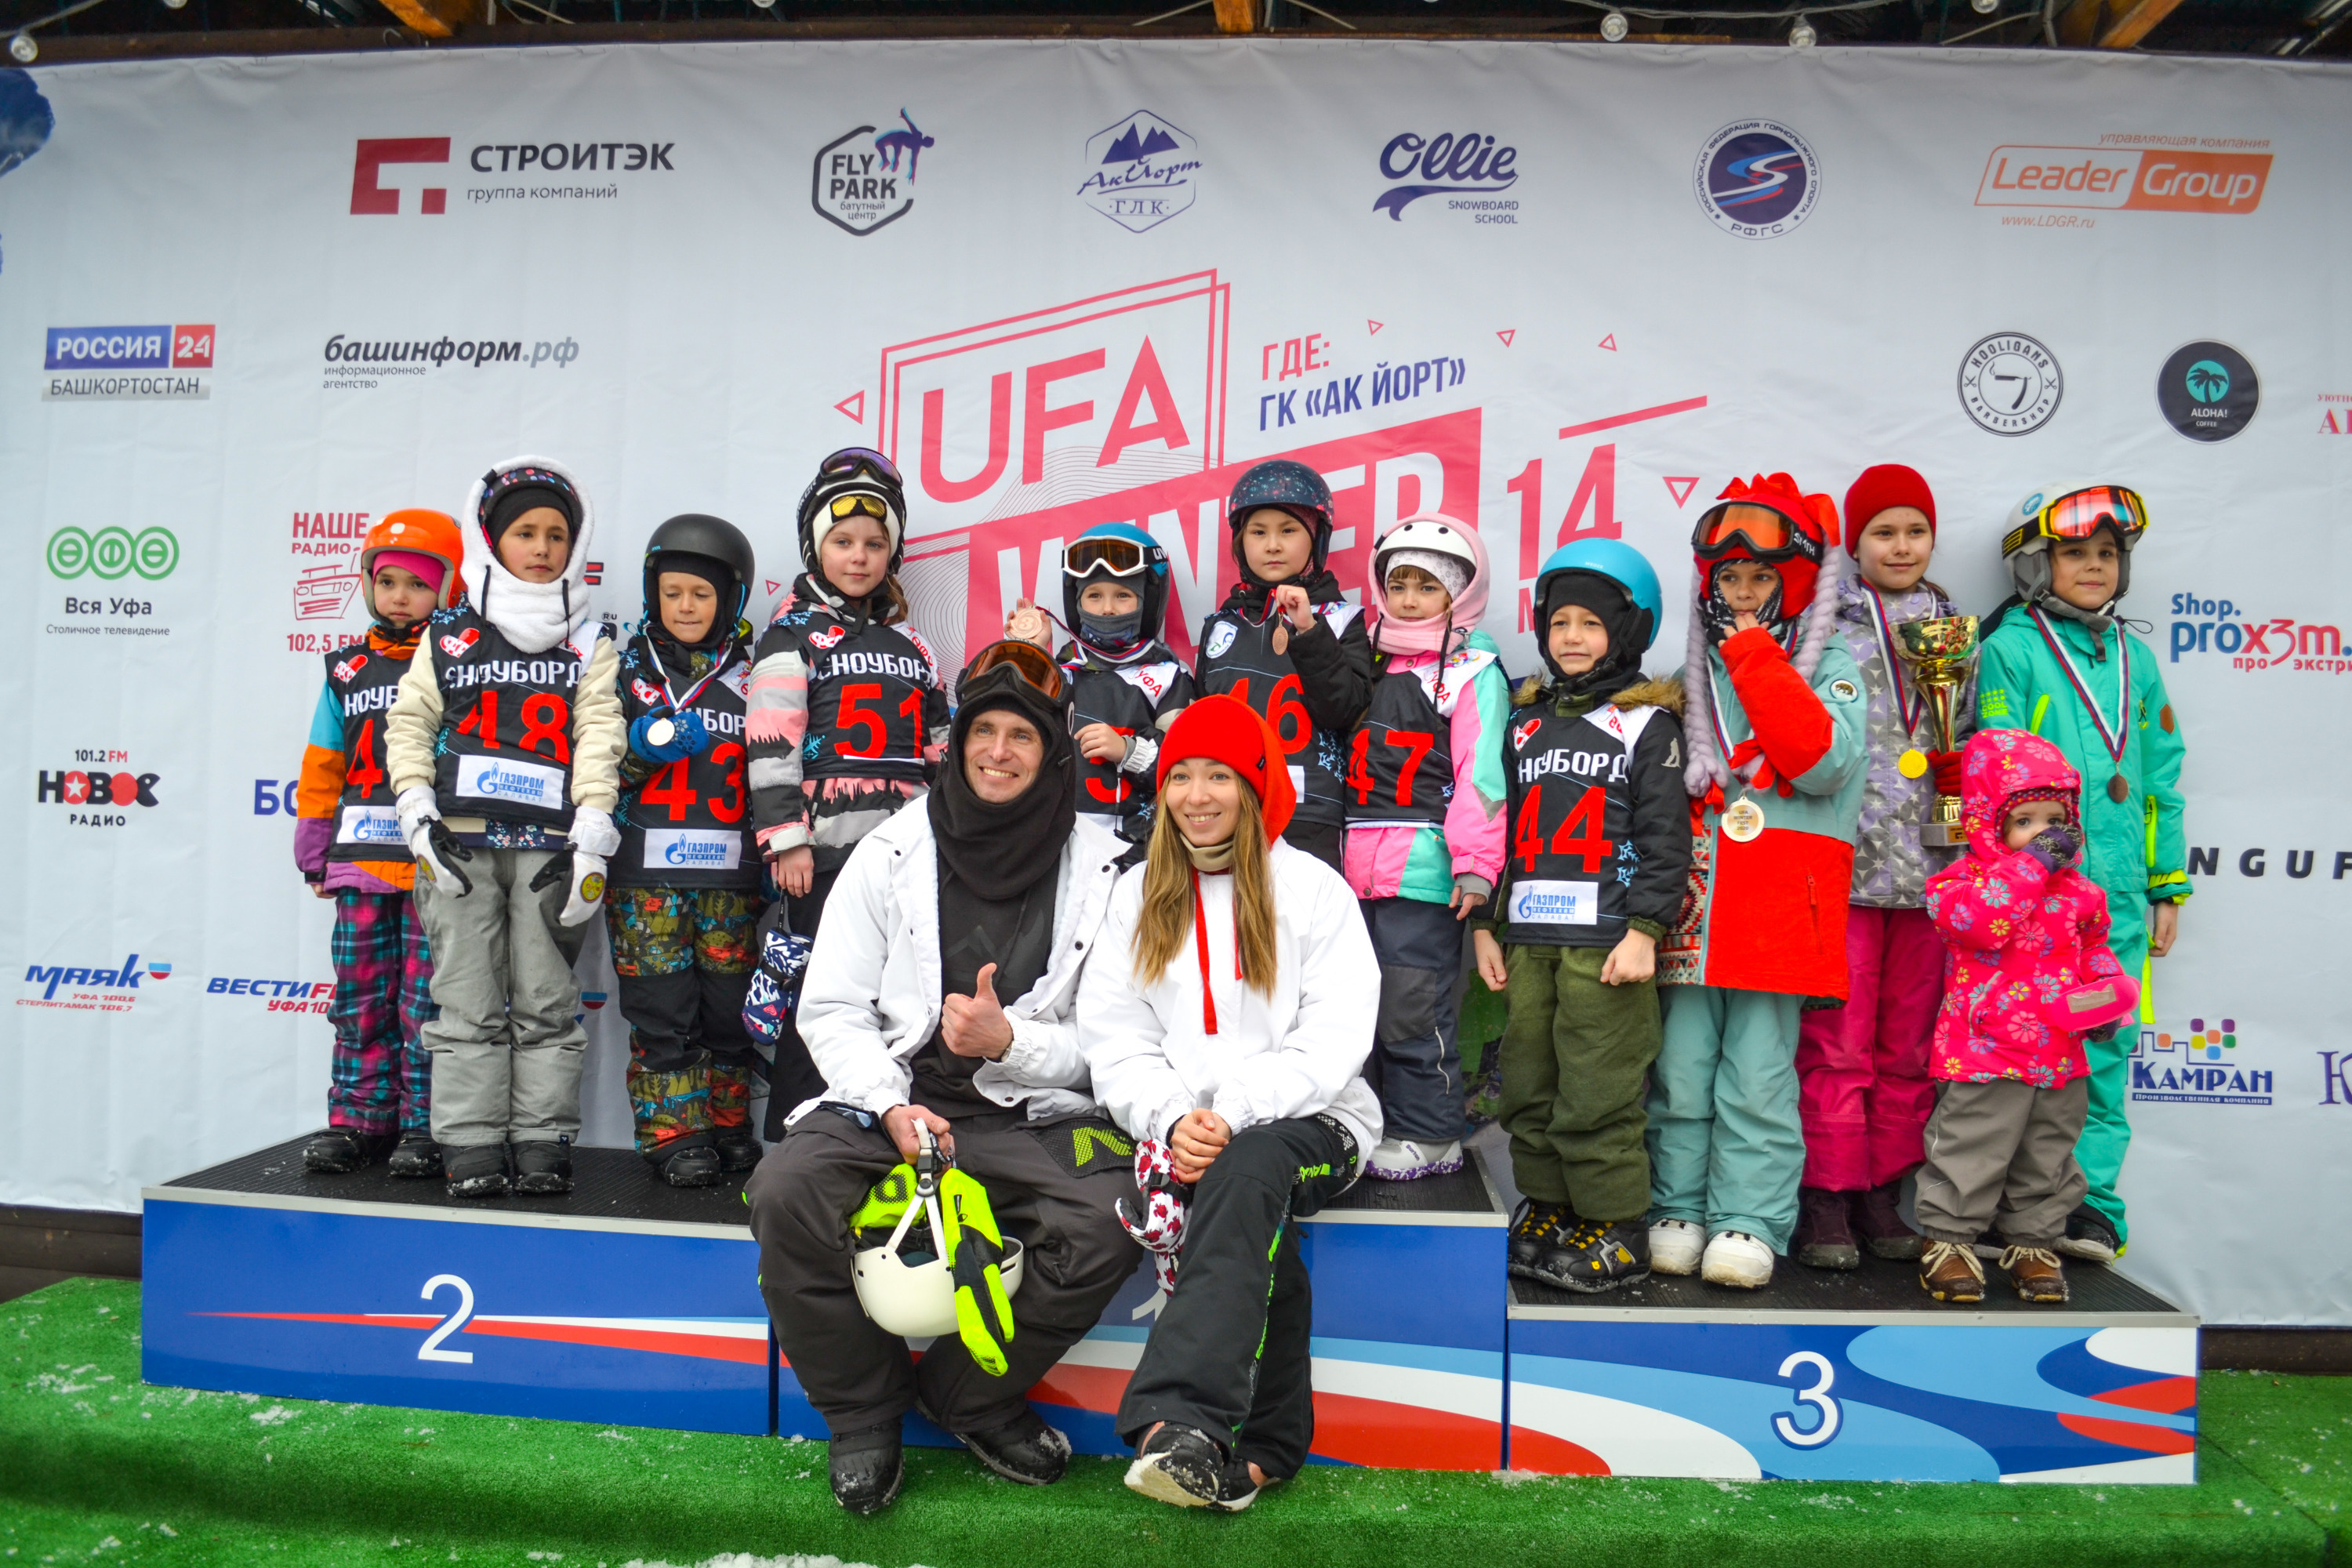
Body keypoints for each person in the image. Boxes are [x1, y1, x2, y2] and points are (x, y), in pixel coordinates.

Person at [745, 641, 1137, 1516]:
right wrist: (888, 1101)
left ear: (1054, 755)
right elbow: (834, 1008)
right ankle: (862, 1412)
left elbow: (1114, 1044)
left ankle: (969, 1396)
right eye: (982, 732)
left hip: (1023, 1108)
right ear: (957, 744)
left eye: (1021, 738)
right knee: (784, 1189)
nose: (998, 751)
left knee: (1113, 1218)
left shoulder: (1110, 869)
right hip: (892, 1094)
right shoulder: (890, 848)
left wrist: (1012, 1041)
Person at [1079, 695, 1382, 1512]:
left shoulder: (1313, 890)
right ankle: (1268, 1445)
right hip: (1188, 1129)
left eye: (1219, 774)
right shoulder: (1137, 891)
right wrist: (1174, 1115)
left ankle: (1178, 1421)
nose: (1197, 794)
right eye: (1179, 774)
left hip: (1319, 1119)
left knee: (1249, 1167)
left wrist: (1234, 1108)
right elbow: (1114, 1034)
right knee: (1244, 1188)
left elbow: (1336, 1035)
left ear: (1256, 785)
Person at [1650, 474, 1868, 1290]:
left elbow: (1821, 760)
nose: (1741, 594)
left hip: (1781, 903)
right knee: (1682, 1066)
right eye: (1728, 578)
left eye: (1761, 578)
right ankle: (1678, 1204)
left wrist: (1751, 651)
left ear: (1801, 579)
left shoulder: (1834, 660)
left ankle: (1748, 1219)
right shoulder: (1695, 663)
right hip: (1700, 906)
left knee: (1757, 1074)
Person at [387, 457, 626, 1200]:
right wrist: (418, 812)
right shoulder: (449, 633)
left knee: (547, 997)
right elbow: (410, 721)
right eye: (525, 532)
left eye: (558, 534)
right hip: (460, 841)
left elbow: (600, 732)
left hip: (550, 850)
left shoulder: (590, 640)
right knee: (465, 996)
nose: (544, 547)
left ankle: (541, 1136)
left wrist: (592, 831)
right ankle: (468, 1139)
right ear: (490, 539)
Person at [1973, 483, 2187, 1266]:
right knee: (2019, 1055)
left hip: (2118, 903)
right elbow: (1995, 774)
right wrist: (2015, 881)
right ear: (2037, 563)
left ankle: (2089, 1208)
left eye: (2107, 554)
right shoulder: (2011, 647)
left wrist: (2165, 882)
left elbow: (2161, 774)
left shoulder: (2137, 656)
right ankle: (2013, 1208)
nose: (2094, 566)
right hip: (2037, 902)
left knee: (2104, 1047)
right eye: (2075, 553)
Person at [1472, 539, 1688, 1293]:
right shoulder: (1527, 724)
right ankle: (1551, 1205)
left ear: (1626, 632)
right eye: (1559, 621)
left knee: (1597, 1089)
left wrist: (1646, 931)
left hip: (1604, 944)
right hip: (1529, 937)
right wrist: (1484, 927)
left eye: (1591, 624)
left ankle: (1616, 1222)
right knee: (1529, 1084)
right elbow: (1499, 829)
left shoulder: (1645, 726)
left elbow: (1667, 840)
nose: (1571, 637)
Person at [1791, 466, 1967, 1271]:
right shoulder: (1824, 625)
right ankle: (1826, 1193)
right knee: (1838, 1042)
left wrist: (1968, 845)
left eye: (1916, 531)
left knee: (1908, 1046)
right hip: (1846, 871)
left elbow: (1972, 747)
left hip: (1934, 872)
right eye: (1884, 532)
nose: (1902, 546)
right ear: (1855, 543)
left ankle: (1882, 1189)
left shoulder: (1958, 629)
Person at [746, 448, 952, 1133]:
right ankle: (798, 1138)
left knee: (893, 997)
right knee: (821, 995)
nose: (858, 557)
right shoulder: (791, 633)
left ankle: (878, 1130)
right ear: (815, 546)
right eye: (842, 542)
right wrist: (787, 843)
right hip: (825, 853)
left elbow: (940, 747)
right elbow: (771, 744)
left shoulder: (914, 645)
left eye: (874, 543)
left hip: (901, 853)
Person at [1914, 729, 2128, 1306]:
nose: (2043, 835)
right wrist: (2030, 866)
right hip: (1983, 1051)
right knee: (1972, 1148)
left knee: (2049, 1153)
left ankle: (2034, 1242)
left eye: (2054, 820)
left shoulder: (2082, 893)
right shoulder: (1961, 883)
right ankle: (1950, 1240)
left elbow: (2094, 949)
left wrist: (2105, 992)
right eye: (2025, 821)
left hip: (2058, 1053)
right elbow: (1981, 924)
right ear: (1991, 823)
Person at [291, 510, 465, 1178]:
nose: (399, 596)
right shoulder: (347, 669)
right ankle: (360, 1118)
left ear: (447, 589)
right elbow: (322, 764)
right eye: (386, 581)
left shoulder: (460, 661)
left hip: (432, 868)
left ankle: (424, 1124)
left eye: (417, 585)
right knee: (361, 995)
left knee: (425, 1001)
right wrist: (315, 849)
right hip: (362, 862)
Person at [1341, 516, 1508, 1181]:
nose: (1408, 599)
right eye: (1398, 583)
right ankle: (1372, 1124)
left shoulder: (1474, 668)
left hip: (1425, 867)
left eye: (1427, 586)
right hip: (1354, 867)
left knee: (1414, 1003)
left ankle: (1432, 1132)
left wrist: (1475, 866)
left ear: (1460, 593)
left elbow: (1482, 774)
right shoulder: (1367, 655)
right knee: (1357, 1005)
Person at [608, 514, 765, 1187]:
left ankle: (728, 1123)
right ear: (652, 595)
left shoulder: (757, 678)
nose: (686, 608)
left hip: (730, 879)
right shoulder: (626, 670)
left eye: (701, 595)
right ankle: (676, 1132)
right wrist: (639, 753)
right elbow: (592, 772)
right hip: (648, 882)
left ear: (728, 600)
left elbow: (778, 774)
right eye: (672, 594)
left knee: (728, 1011)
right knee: (663, 1009)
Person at [1192, 460, 1374, 873]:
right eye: (1258, 532)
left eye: (1288, 531)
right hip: (1229, 813)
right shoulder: (1220, 626)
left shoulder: (1343, 619)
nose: (1272, 545)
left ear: (1316, 540)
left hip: (1309, 816)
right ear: (1240, 543)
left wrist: (1308, 630)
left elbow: (1344, 709)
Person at [1005, 521, 1194, 861]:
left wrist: (1127, 750)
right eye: (1094, 596)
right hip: (1052, 845)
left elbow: (1184, 765)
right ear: (1076, 603)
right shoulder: (1059, 672)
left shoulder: (1168, 676)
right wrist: (1029, 656)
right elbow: (1007, 735)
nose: (1107, 609)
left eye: (1123, 596)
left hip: (1136, 851)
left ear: (1148, 601)